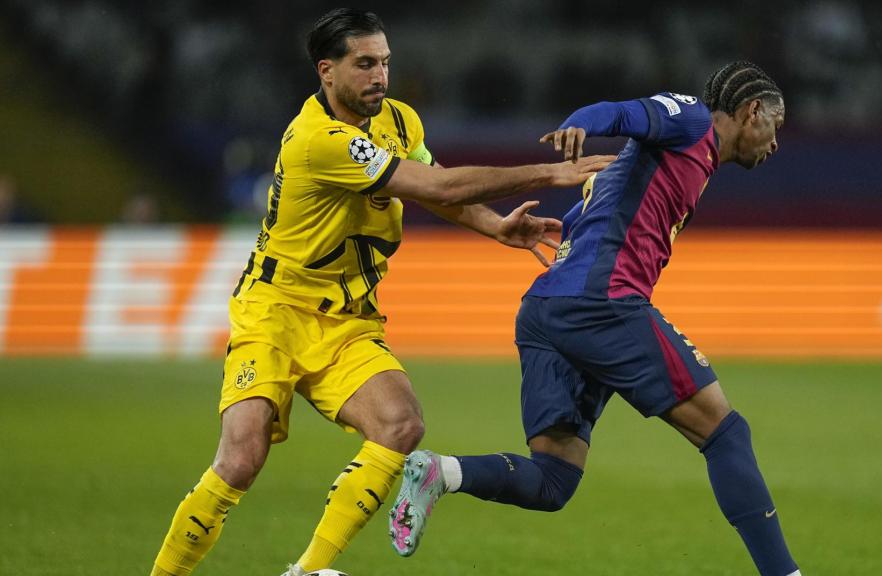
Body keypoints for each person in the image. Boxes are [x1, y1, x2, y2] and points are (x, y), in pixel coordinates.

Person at [148, 9, 612, 576]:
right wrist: (550, 173)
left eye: (386, 62)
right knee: (242, 458)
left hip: (348, 320)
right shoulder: (319, 141)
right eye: (365, 64)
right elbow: (433, 184)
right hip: (275, 313)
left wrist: (494, 225)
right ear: (328, 71)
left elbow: (436, 188)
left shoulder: (399, 121)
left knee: (400, 423)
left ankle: (306, 571)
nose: (380, 76)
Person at [389, 61, 802, 576]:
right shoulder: (694, 120)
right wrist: (581, 122)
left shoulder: (678, 161)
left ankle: (441, 473)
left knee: (553, 480)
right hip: (601, 303)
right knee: (725, 433)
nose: (776, 143)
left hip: (544, 311)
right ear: (752, 111)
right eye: (776, 128)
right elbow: (627, 112)